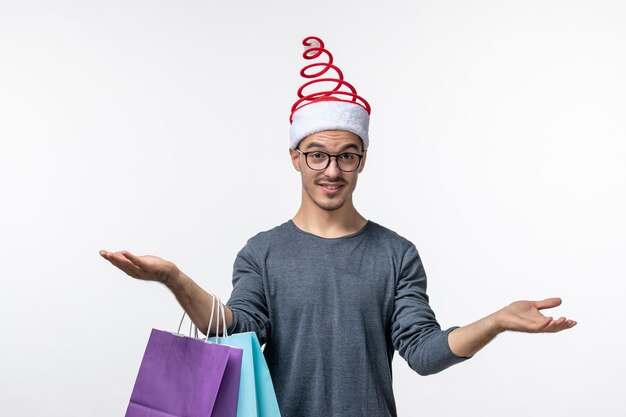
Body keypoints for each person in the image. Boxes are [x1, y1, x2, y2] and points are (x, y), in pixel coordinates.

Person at [100, 36, 576, 417]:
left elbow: (424, 353)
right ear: (295, 158)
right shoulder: (261, 252)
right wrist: (172, 278)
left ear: (362, 160)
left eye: (346, 155)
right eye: (318, 155)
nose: (332, 170)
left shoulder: (396, 253)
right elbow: (238, 329)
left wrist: (495, 322)